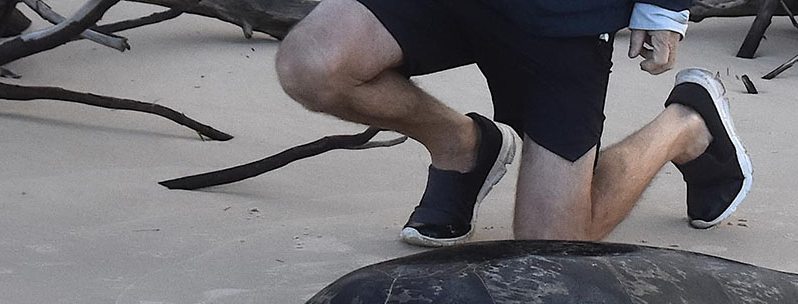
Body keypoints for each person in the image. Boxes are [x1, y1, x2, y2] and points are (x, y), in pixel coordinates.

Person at [274, 0, 753, 247]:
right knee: (312, 62)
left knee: (549, 250)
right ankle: (464, 146)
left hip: (560, 18)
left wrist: (665, 7)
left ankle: (688, 122)